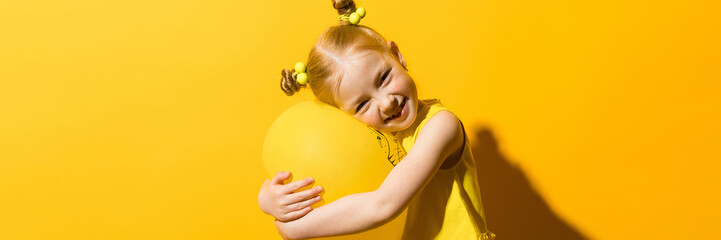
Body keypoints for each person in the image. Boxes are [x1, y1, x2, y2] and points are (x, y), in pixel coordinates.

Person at [257, 1, 495, 239]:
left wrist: (295, 228)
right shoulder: (373, 141)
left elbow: (383, 205)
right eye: (362, 104)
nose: (386, 103)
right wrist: (268, 199)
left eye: (383, 78)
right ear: (343, 116)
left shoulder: (441, 127)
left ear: (396, 55)